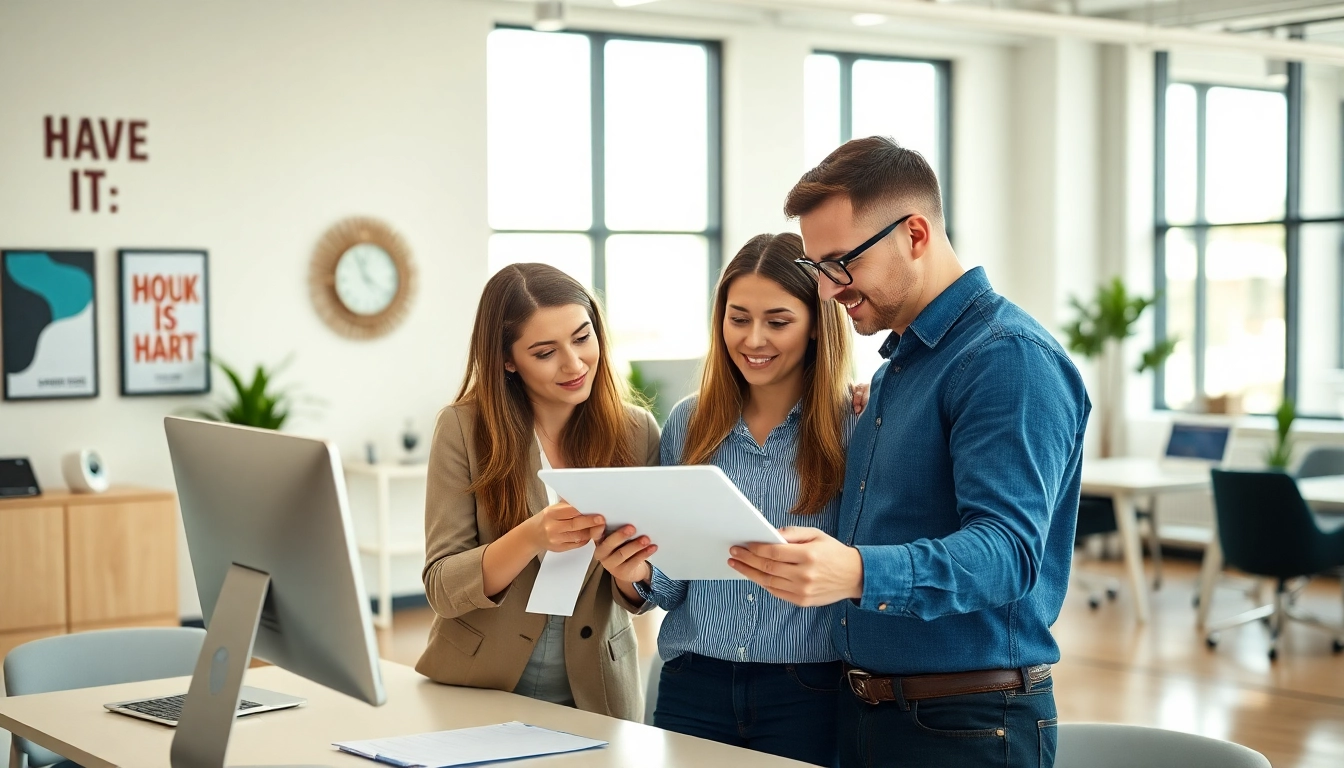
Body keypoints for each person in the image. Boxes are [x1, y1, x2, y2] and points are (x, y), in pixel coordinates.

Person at [727, 137, 1092, 768]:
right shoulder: (902, 368)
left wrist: (859, 571)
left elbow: (1007, 552)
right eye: (819, 269)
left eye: (841, 263)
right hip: (871, 713)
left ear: (914, 234)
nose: (830, 289)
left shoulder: (1006, 358)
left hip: (964, 724)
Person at [596, 233, 855, 766]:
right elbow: (671, 584)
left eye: (778, 321)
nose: (754, 338)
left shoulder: (853, 425)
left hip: (810, 692)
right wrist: (633, 572)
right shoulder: (689, 424)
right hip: (695, 684)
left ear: (816, 326)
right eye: (738, 318)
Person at [415, 262, 659, 721]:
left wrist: (632, 569)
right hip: (479, 683)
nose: (574, 364)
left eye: (583, 338)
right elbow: (443, 587)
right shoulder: (463, 429)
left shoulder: (636, 432)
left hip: (597, 688)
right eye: (545, 352)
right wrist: (531, 536)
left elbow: (648, 586)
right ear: (507, 359)